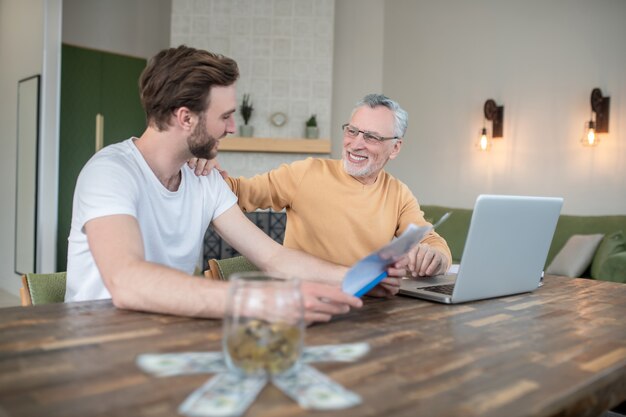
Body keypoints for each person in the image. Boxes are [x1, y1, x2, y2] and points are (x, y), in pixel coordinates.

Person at [64, 45, 363, 323]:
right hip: (98, 345)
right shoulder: (110, 172)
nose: (233, 127)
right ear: (185, 118)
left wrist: (358, 278)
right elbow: (126, 281)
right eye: (225, 116)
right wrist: (260, 301)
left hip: (165, 339)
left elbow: (273, 257)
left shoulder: (203, 179)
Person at [201, 94, 452, 280]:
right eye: (352, 131)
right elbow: (238, 191)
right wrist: (204, 164)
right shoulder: (306, 173)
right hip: (302, 300)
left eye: (371, 137)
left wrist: (435, 257)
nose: (356, 144)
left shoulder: (398, 194)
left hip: (366, 306)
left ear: (395, 148)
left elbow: (431, 240)